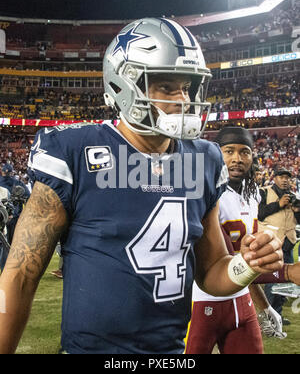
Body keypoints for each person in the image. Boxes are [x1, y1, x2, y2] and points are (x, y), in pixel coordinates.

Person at [0, 18, 282, 354]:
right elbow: (20, 276)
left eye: (187, 87)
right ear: (123, 85)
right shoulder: (76, 152)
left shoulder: (203, 159)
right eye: (166, 87)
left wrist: (246, 264)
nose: (182, 99)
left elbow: (211, 273)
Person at [185, 127, 285, 355]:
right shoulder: (205, 194)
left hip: (241, 299)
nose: (237, 159)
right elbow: (230, 261)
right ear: (215, 153)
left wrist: (265, 307)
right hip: (201, 299)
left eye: (244, 152)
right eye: (229, 151)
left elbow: (245, 260)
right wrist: (287, 272)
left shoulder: (252, 195)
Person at [258, 167, 300, 324]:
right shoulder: (263, 192)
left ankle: (279, 315)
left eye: (287, 178)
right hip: (271, 243)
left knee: (284, 283)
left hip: (288, 244)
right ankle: (268, 319)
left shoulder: (293, 196)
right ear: (274, 178)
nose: (284, 180)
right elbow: (259, 213)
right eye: (281, 177)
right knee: (272, 281)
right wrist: (278, 204)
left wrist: (297, 210)